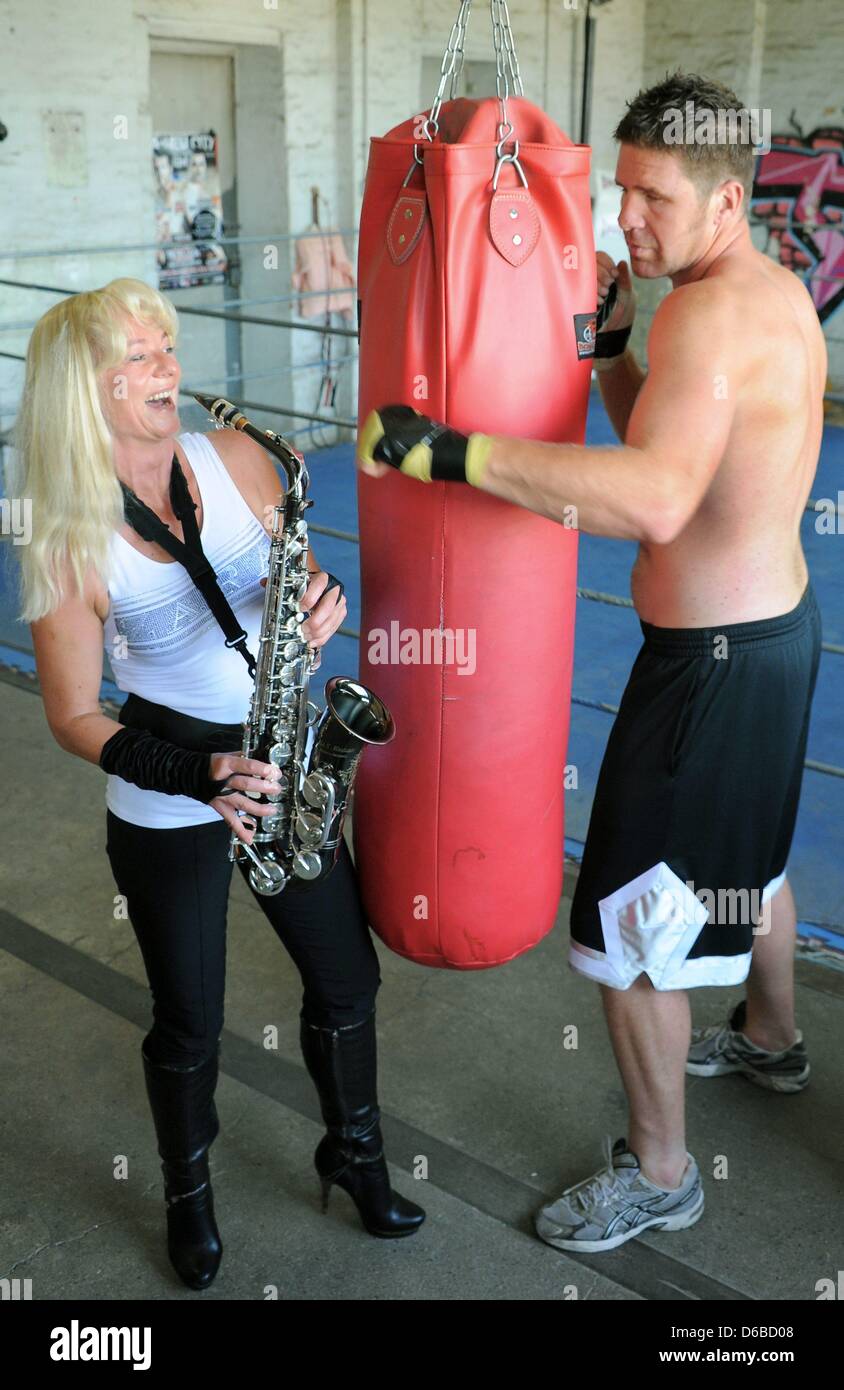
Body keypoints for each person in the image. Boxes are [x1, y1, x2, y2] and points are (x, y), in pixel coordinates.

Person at [356, 72, 825, 1252]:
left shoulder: (710, 315)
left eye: (651, 196)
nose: (624, 220)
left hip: (709, 672)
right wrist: (612, 355)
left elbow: (657, 498)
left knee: (626, 927)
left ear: (726, 198)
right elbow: (690, 442)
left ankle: (663, 1171)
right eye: (615, 190)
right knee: (749, 858)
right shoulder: (764, 295)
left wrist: (451, 454)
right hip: (774, 643)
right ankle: (770, 1037)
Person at [13, 276, 424, 1291]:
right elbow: (72, 715)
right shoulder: (67, 538)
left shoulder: (242, 458)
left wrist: (324, 602)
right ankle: (187, 1195)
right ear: (86, 391)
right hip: (168, 791)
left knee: (346, 981)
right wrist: (197, 775)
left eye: (167, 345)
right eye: (142, 357)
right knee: (189, 1017)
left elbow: (302, 579)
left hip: (284, 762)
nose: (171, 368)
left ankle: (355, 1153)